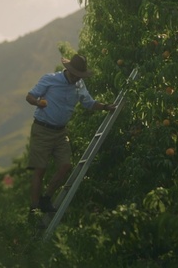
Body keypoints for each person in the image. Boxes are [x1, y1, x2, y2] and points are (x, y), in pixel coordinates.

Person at [25, 54, 116, 217]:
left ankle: (46, 198)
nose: (76, 78)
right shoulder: (50, 79)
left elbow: (89, 103)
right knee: (40, 169)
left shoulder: (79, 85)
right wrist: (39, 103)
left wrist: (105, 106)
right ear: (68, 70)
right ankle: (34, 207)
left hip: (60, 132)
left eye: (79, 75)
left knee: (65, 166)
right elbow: (30, 96)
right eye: (75, 74)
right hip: (42, 129)